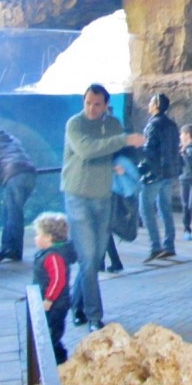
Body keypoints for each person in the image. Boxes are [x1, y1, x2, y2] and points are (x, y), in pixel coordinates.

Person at [63, 83, 144, 332]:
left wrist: (120, 163)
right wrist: (122, 140)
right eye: (88, 102)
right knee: (88, 258)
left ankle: (76, 306)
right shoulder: (75, 124)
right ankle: (94, 316)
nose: (91, 108)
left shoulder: (113, 125)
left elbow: (115, 151)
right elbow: (87, 150)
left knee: (94, 259)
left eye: (97, 104)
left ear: (106, 105)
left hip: (104, 197)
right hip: (77, 197)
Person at [0, 125, 38, 263]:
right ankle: (13, 249)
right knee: (15, 213)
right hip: (30, 173)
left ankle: (8, 249)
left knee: (12, 213)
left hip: (13, 175)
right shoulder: (13, 140)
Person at [138, 93, 181, 262]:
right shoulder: (172, 125)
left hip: (154, 174)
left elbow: (148, 150)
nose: (148, 104)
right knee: (165, 208)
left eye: (151, 102)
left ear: (156, 105)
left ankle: (155, 246)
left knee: (145, 207)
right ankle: (169, 245)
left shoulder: (153, 125)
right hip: (169, 172)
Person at [31, 212, 78, 365]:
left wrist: (49, 299)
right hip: (50, 302)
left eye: (38, 235)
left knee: (51, 335)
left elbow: (58, 280)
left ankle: (59, 361)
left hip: (55, 305)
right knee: (50, 334)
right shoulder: (48, 254)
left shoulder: (53, 256)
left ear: (49, 238)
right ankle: (57, 359)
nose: (35, 238)